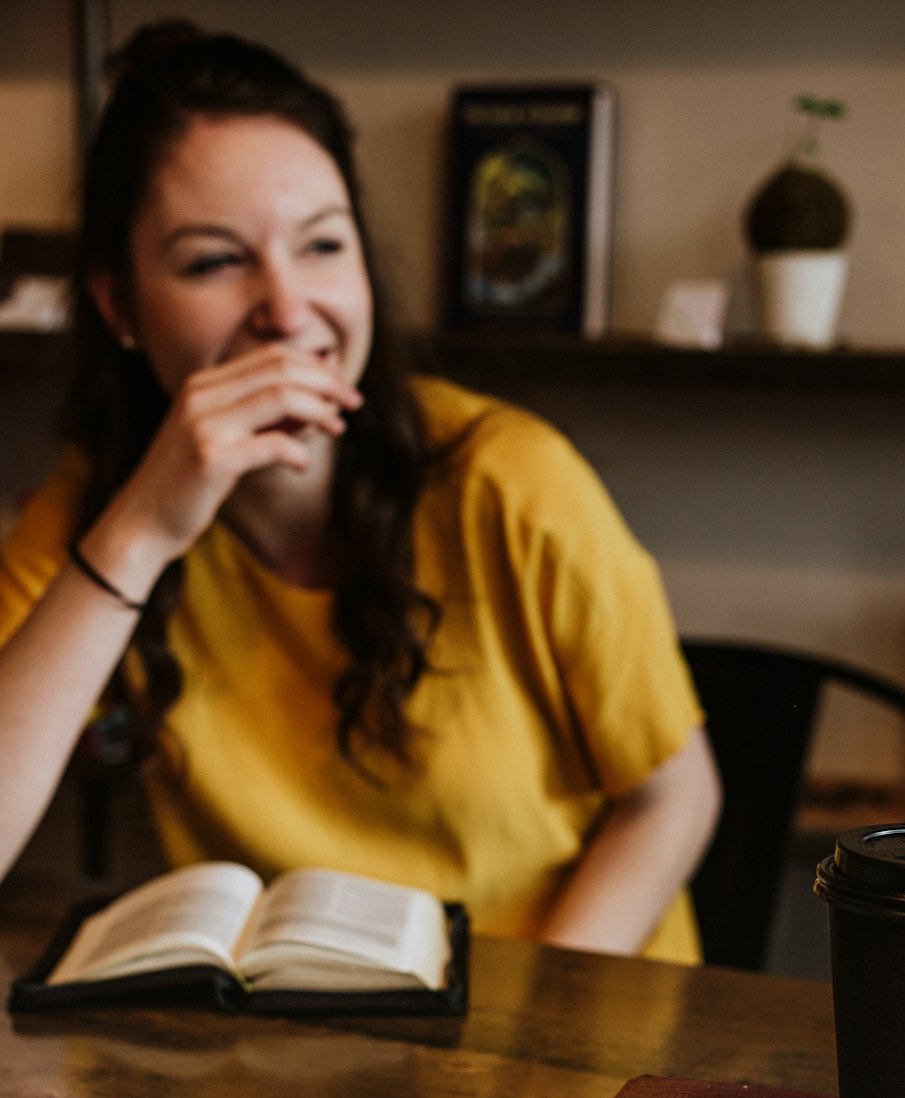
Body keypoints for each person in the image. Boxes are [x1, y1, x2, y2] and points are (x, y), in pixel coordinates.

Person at [0, 21, 720, 962]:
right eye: (215, 261)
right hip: (303, 1052)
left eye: (323, 245)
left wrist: (524, 1026)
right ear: (119, 304)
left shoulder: (509, 478)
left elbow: (676, 801)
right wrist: (141, 531)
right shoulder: (103, 510)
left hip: (568, 1021)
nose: (290, 311)